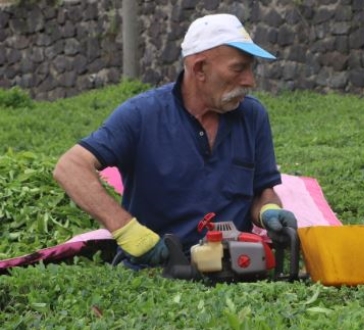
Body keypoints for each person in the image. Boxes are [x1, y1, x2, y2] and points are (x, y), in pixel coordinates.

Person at [53, 13, 297, 268]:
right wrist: (127, 232)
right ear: (200, 69)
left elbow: (262, 191)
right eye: (239, 68)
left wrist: (268, 211)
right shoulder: (141, 114)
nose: (250, 80)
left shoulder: (252, 115)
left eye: (250, 68)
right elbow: (70, 167)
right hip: (158, 269)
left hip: (235, 268)